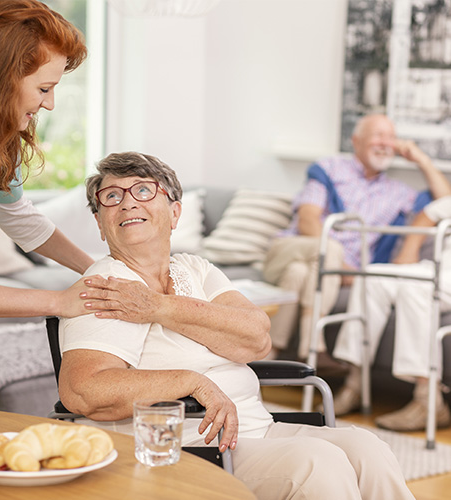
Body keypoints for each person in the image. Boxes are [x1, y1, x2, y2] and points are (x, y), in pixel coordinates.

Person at [58, 151, 415, 500]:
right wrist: (190, 381)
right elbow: (83, 391)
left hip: (256, 430)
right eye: (112, 196)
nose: (128, 203)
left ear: (175, 212)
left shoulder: (195, 269)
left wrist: (160, 307)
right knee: (318, 464)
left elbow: (256, 337)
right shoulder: (106, 288)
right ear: (101, 226)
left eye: (144, 190)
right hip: (186, 447)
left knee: (367, 447)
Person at [0, 0, 119, 323]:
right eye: (44, 88)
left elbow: (18, 217)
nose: (51, 104)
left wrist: (96, 269)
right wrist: (58, 302)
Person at [262, 113, 449, 374]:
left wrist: (422, 160)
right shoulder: (329, 169)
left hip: (314, 267)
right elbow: (307, 221)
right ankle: (313, 345)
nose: (386, 143)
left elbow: (446, 204)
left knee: (301, 274)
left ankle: (268, 359)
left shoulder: (397, 193)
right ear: (356, 141)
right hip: (291, 250)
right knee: (330, 251)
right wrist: (342, 265)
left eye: (391, 137)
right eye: (378, 135)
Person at [332, 191, 451, 431]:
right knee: (372, 277)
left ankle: (429, 401)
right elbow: (430, 212)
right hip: (437, 269)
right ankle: (355, 384)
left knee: (415, 288)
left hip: (440, 278)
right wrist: (409, 251)